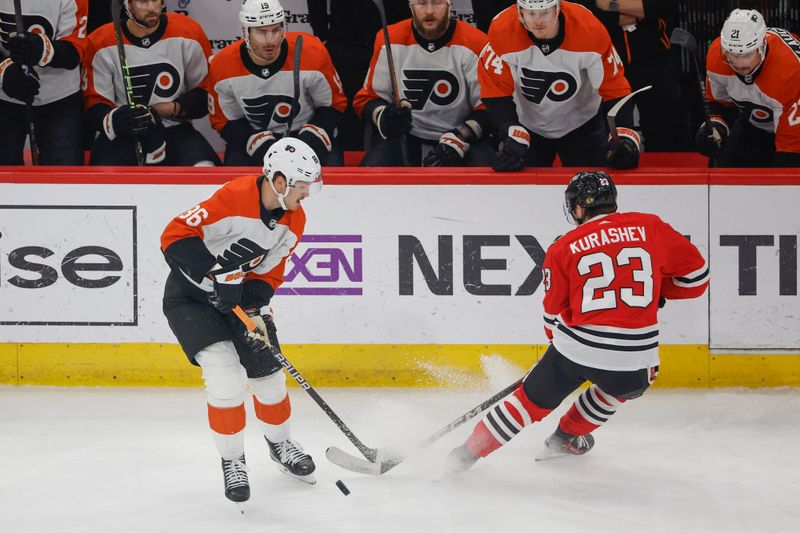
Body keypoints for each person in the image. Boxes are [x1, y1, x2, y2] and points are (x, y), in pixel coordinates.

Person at [446, 170, 709, 473]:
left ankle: (464, 456)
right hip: (636, 360)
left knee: (526, 403)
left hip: (576, 351)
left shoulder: (563, 246)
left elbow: (552, 313)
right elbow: (697, 280)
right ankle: (567, 438)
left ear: (580, 208)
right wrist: (657, 291)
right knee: (621, 387)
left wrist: (553, 356)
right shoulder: (651, 226)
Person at [160, 137, 323, 505]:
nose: (307, 194)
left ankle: (281, 445)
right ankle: (233, 461)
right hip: (190, 299)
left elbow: (270, 272)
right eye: (302, 186)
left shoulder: (295, 219)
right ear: (279, 182)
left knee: (268, 376)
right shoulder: (233, 197)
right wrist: (216, 277)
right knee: (225, 378)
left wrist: (254, 306)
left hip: (238, 301)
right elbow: (174, 235)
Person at [479, 0, 640, 171]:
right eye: (531, 13)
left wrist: (623, 134)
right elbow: (495, 86)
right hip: (528, 124)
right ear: (519, 12)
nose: (538, 21)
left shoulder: (589, 28)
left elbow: (614, 86)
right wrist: (509, 127)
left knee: (594, 187)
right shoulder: (502, 29)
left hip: (582, 123)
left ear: (557, 9)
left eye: (545, 12)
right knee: (523, 191)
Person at [353, 0, 495, 167]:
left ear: (450, 4)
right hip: (407, 136)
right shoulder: (389, 37)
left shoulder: (477, 42)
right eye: (421, 3)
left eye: (437, 3)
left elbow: (490, 106)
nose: (429, 11)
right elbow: (367, 99)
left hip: (462, 137)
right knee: (372, 177)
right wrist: (384, 117)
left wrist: (461, 136)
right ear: (411, 6)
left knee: (487, 178)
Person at [208, 0, 347, 167]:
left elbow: (334, 105)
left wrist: (311, 137)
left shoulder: (312, 52)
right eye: (261, 32)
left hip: (304, 133)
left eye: (276, 30)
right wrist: (256, 142)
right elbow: (223, 120)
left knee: (330, 179)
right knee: (240, 181)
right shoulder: (223, 64)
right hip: (254, 136)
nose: (270, 41)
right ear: (246, 31)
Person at [83, 0, 220, 166]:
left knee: (204, 168)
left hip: (174, 129)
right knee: (104, 181)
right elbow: (94, 103)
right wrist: (118, 120)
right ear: (127, 4)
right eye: (143, 2)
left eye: (156, 0)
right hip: (123, 134)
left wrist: (172, 108)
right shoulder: (100, 41)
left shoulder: (188, 31)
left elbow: (206, 92)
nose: (151, 8)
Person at [575, 0, 687, 151]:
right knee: (611, 137)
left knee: (664, 134)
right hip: (607, 66)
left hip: (656, 62)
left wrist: (609, 5)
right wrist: (619, 16)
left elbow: (662, 6)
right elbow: (581, 12)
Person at [696, 8, 800, 168]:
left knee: (783, 182)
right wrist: (716, 129)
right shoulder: (717, 56)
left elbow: (790, 153)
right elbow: (720, 104)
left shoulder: (789, 71)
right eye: (733, 54)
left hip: (793, 131)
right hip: (755, 121)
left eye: (746, 54)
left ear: (762, 47)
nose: (739, 63)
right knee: (723, 174)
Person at [307, 0, 408, 151]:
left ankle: (384, 158)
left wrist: (407, 34)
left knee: (390, 109)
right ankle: (351, 167)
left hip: (391, 42)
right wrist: (321, 33)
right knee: (348, 115)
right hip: (344, 43)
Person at [0, 0, 88, 165]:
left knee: (64, 181)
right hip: (4, 98)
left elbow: (74, 52)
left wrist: (41, 49)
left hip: (60, 99)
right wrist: (5, 71)